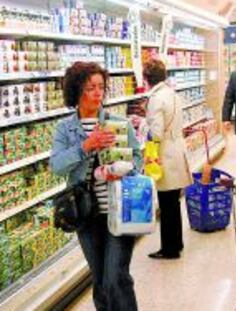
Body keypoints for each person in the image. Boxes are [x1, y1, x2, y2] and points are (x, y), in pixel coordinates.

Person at [50, 62, 141, 311]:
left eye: (101, 87)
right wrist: (85, 146)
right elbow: (56, 166)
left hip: (119, 209)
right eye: (91, 88)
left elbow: (137, 158)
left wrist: (124, 171)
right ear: (76, 91)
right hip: (87, 215)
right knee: (100, 279)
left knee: (116, 278)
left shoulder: (118, 123)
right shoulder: (65, 129)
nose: (98, 93)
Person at [143, 59, 192, 260]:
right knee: (173, 202)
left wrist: (141, 126)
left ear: (147, 79)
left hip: (165, 155)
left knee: (166, 203)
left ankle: (169, 249)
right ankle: (176, 243)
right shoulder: (172, 93)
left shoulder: (156, 99)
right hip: (177, 150)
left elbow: (155, 134)